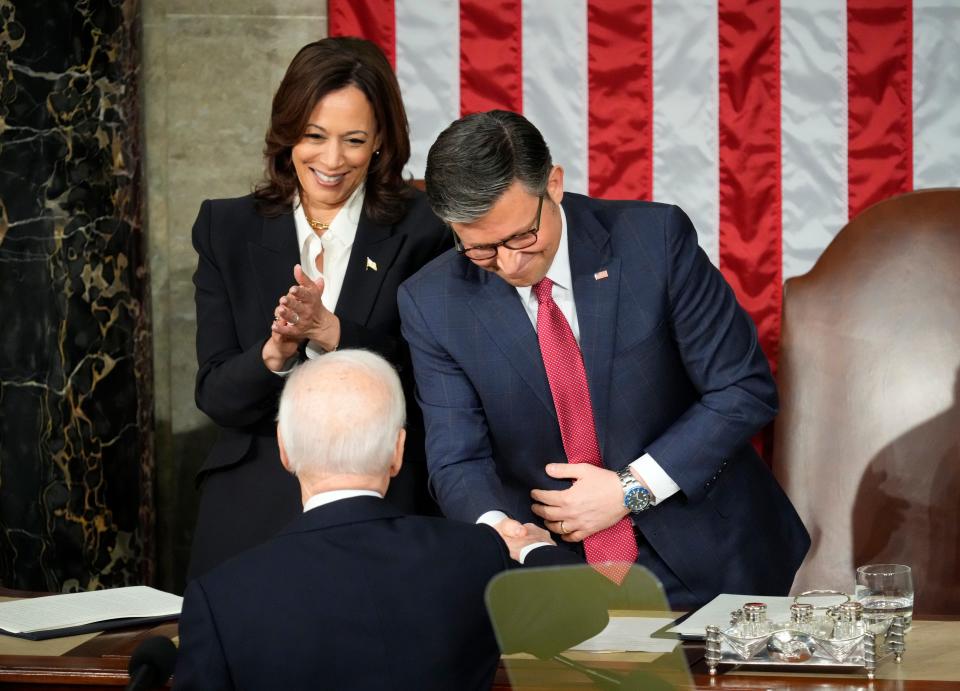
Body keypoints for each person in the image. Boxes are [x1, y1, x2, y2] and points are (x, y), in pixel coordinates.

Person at [398, 110, 811, 608]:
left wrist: (629, 490)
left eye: (522, 237)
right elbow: (458, 457)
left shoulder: (654, 242)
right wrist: (502, 533)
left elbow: (743, 388)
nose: (509, 264)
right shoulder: (432, 302)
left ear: (553, 184)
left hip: (712, 557)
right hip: (556, 576)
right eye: (481, 251)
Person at [187, 37, 450, 579]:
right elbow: (216, 395)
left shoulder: (427, 228)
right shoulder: (226, 227)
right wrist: (276, 352)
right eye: (314, 136)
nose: (331, 161)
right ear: (287, 135)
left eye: (353, 140)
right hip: (253, 500)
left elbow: (437, 381)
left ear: (380, 140)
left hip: (385, 495)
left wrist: (333, 332)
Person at [173, 351, 578, 691]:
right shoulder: (475, 554)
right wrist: (529, 545)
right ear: (397, 451)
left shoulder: (221, 596)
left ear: (284, 449)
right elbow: (584, 610)